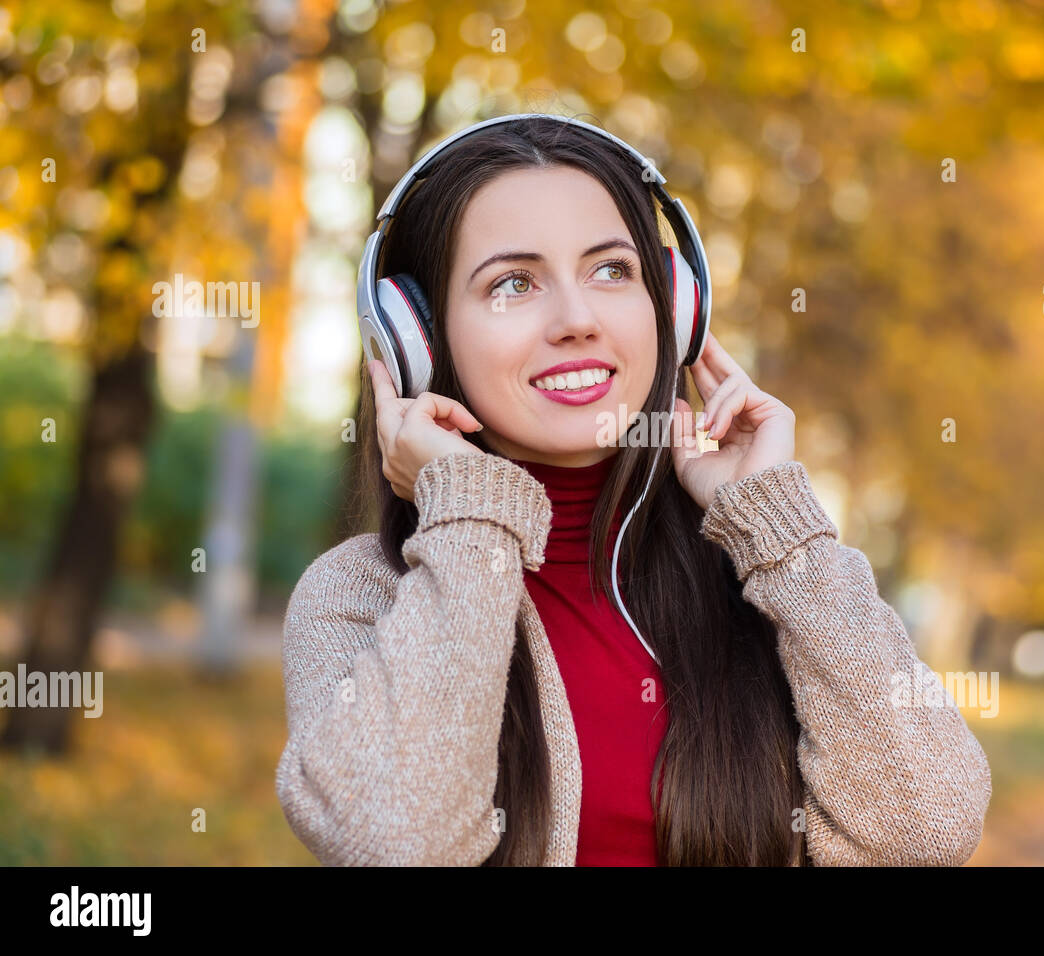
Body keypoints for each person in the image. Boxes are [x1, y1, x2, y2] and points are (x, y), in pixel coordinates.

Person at [274, 115, 991, 866]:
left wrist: (782, 535)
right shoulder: (362, 596)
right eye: (513, 284)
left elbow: (926, 830)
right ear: (416, 341)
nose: (578, 320)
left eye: (612, 271)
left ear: (673, 311)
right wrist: (466, 513)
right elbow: (396, 840)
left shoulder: (763, 583)